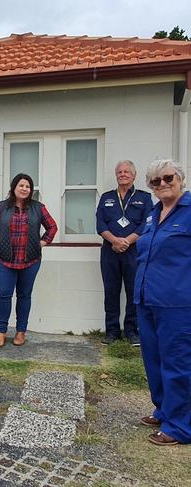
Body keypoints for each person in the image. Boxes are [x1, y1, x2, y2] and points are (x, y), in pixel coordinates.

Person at [134, 159, 191, 446]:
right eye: (155, 181)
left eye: (168, 177)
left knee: (177, 363)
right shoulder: (152, 214)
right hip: (147, 299)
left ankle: (180, 426)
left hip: (178, 303)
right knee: (154, 361)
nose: (163, 184)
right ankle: (164, 411)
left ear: (180, 178)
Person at [0, 173, 57, 348]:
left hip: (30, 261)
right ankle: (1, 332)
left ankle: (20, 332)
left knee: (24, 296)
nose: (24, 189)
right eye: (21, 185)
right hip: (5, 260)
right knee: (4, 295)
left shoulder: (38, 208)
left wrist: (42, 242)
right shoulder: (2, 207)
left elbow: (52, 227)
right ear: (14, 187)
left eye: (28, 186)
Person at [96, 160, 152, 346]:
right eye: (119, 171)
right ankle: (112, 331)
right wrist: (114, 240)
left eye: (127, 171)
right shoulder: (106, 197)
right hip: (109, 251)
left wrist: (127, 241)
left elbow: (146, 223)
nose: (123, 174)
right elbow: (100, 224)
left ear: (134, 175)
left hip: (133, 251)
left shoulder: (144, 198)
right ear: (116, 175)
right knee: (111, 291)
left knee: (133, 291)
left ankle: (131, 331)